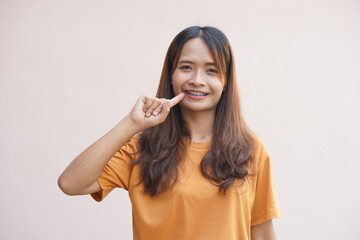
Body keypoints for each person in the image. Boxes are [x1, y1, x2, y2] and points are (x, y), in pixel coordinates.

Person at [58, 26, 281, 240]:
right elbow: (70, 183)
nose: (197, 79)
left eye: (211, 70)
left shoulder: (250, 149)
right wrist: (131, 124)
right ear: (171, 75)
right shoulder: (141, 149)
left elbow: (261, 234)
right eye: (186, 67)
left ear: (225, 82)